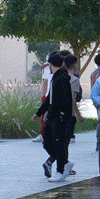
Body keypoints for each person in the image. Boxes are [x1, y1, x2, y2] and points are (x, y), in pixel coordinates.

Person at [33, 52, 77, 182]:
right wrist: (39, 113)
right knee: (47, 141)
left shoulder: (62, 78)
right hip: (52, 115)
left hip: (59, 116)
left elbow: (66, 99)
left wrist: (63, 114)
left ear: (50, 65)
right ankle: (65, 162)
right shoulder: (56, 78)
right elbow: (49, 99)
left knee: (59, 143)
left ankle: (60, 170)